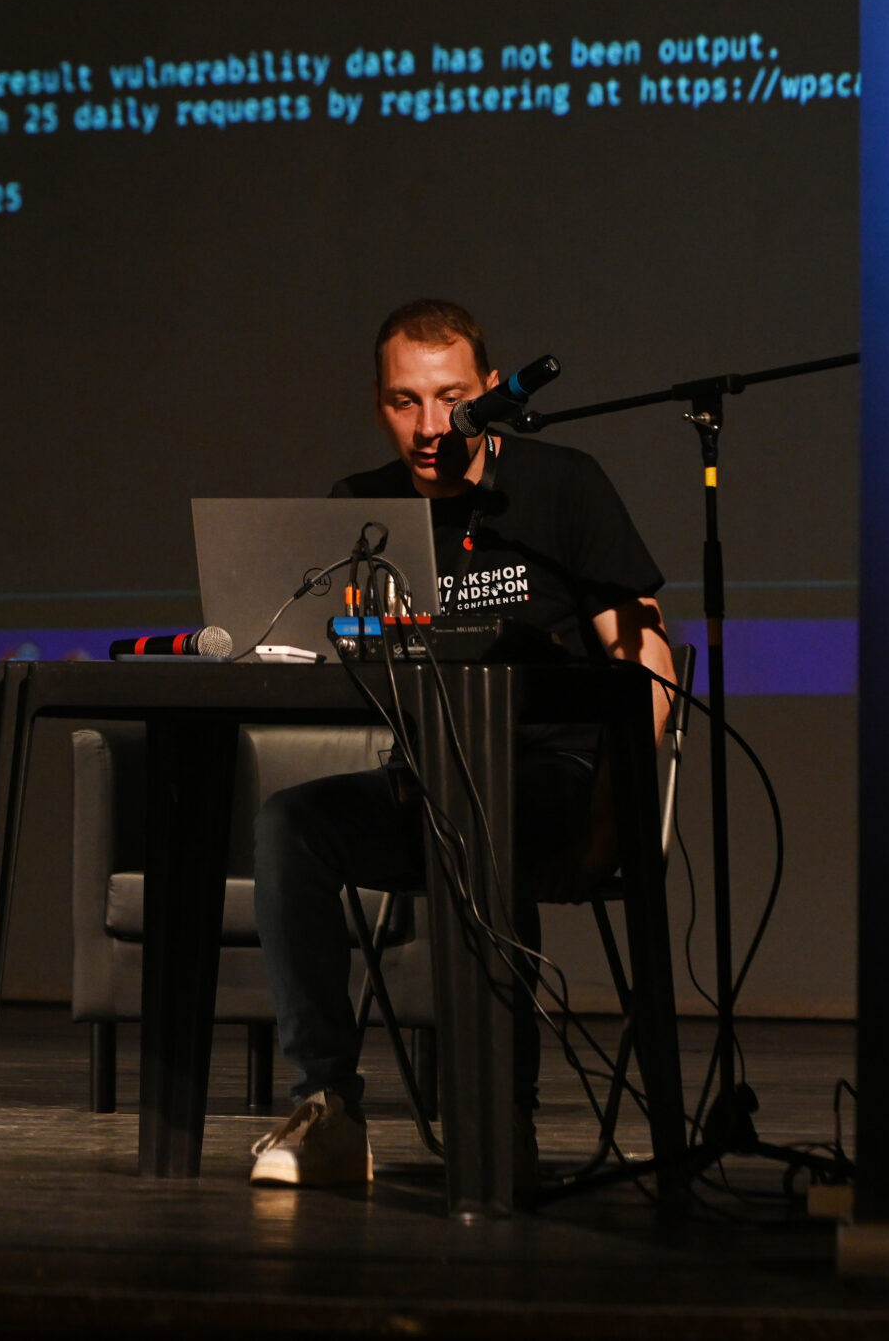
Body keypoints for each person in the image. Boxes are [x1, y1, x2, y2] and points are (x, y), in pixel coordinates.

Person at [246, 298, 675, 1188]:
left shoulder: (561, 484)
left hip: (556, 782)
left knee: (479, 801)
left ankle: (498, 1116)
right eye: (405, 401)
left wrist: (612, 819)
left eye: (451, 398)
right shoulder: (360, 508)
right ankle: (327, 1105)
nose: (430, 426)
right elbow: (343, 665)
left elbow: (648, 662)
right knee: (293, 823)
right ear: (378, 404)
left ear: (491, 390)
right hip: (427, 782)